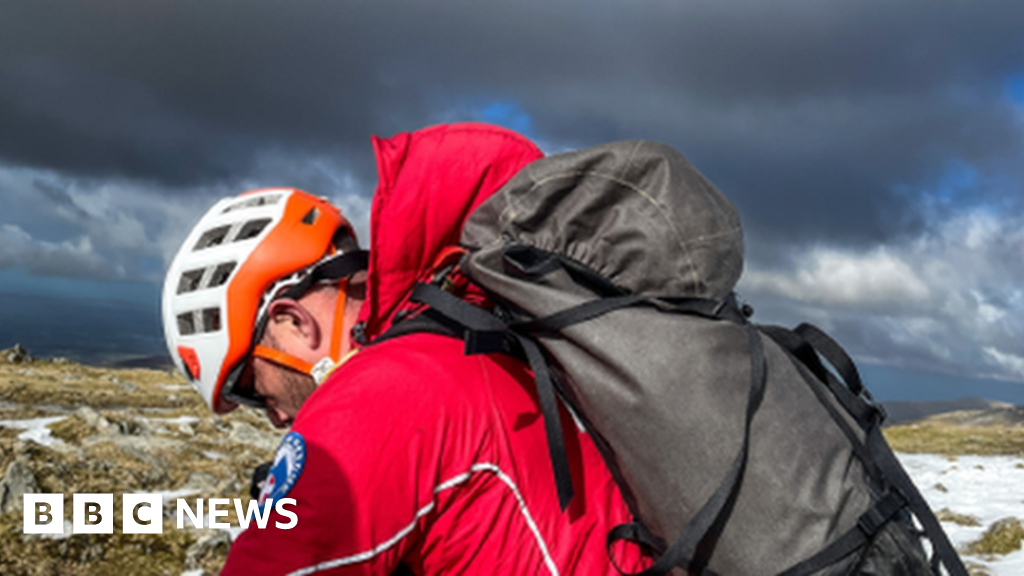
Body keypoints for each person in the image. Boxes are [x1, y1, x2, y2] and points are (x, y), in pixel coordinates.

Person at [162, 123, 647, 575]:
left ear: (293, 322)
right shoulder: (471, 341)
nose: (275, 418)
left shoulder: (372, 398)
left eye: (252, 387)